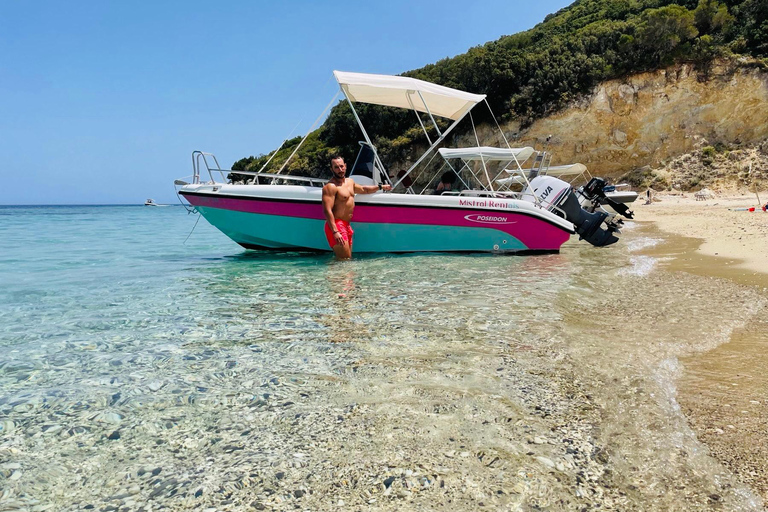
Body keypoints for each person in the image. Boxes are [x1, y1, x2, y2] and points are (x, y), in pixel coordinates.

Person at [322, 156, 392, 259]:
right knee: (344, 260)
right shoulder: (330, 187)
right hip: (337, 225)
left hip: (346, 225)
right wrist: (335, 231)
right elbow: (327, 210)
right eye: (336, 167)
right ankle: (331, 275)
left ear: (345, 166)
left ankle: (336, 275)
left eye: (341, 166)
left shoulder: (350, 182)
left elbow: (364, 189)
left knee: (346, 260)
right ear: (331, 169)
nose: (340, 170)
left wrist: (381, 187)